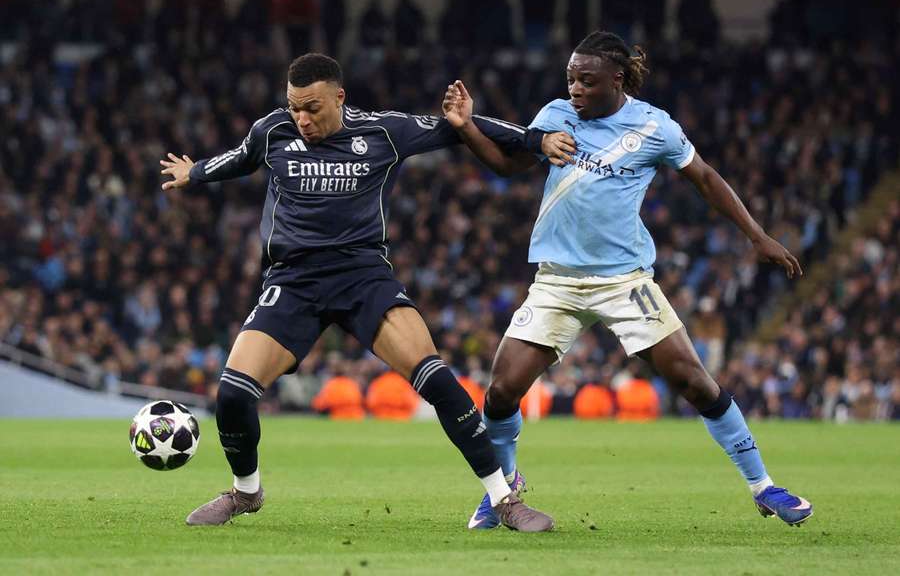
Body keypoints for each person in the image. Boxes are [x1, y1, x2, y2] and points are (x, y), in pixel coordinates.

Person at [159, 53, 554, 531]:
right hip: (294, 281)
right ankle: (245, 493)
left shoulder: (383, 131)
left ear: (339, 98)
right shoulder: (273, 130)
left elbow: (459, 125)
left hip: (363, 277)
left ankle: (504, 498)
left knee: (437, 380)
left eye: (312, 108)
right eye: (294, 107)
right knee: (233, 394)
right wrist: (195, 172)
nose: (301, 118)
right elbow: (241, 157)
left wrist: (535, 138)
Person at [441, 30, 813, 529]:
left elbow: (704, 177)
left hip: (624, 281)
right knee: (503, 390)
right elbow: (507, 166)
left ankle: (764, 487)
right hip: (558, 282)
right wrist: (466, 128)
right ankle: (504, 493)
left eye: (586, 80)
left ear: (616, 80)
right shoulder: (555, 115)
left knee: (694, 383)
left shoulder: (654, 127)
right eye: (570, 78)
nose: (574, 88)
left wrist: (757, 236)